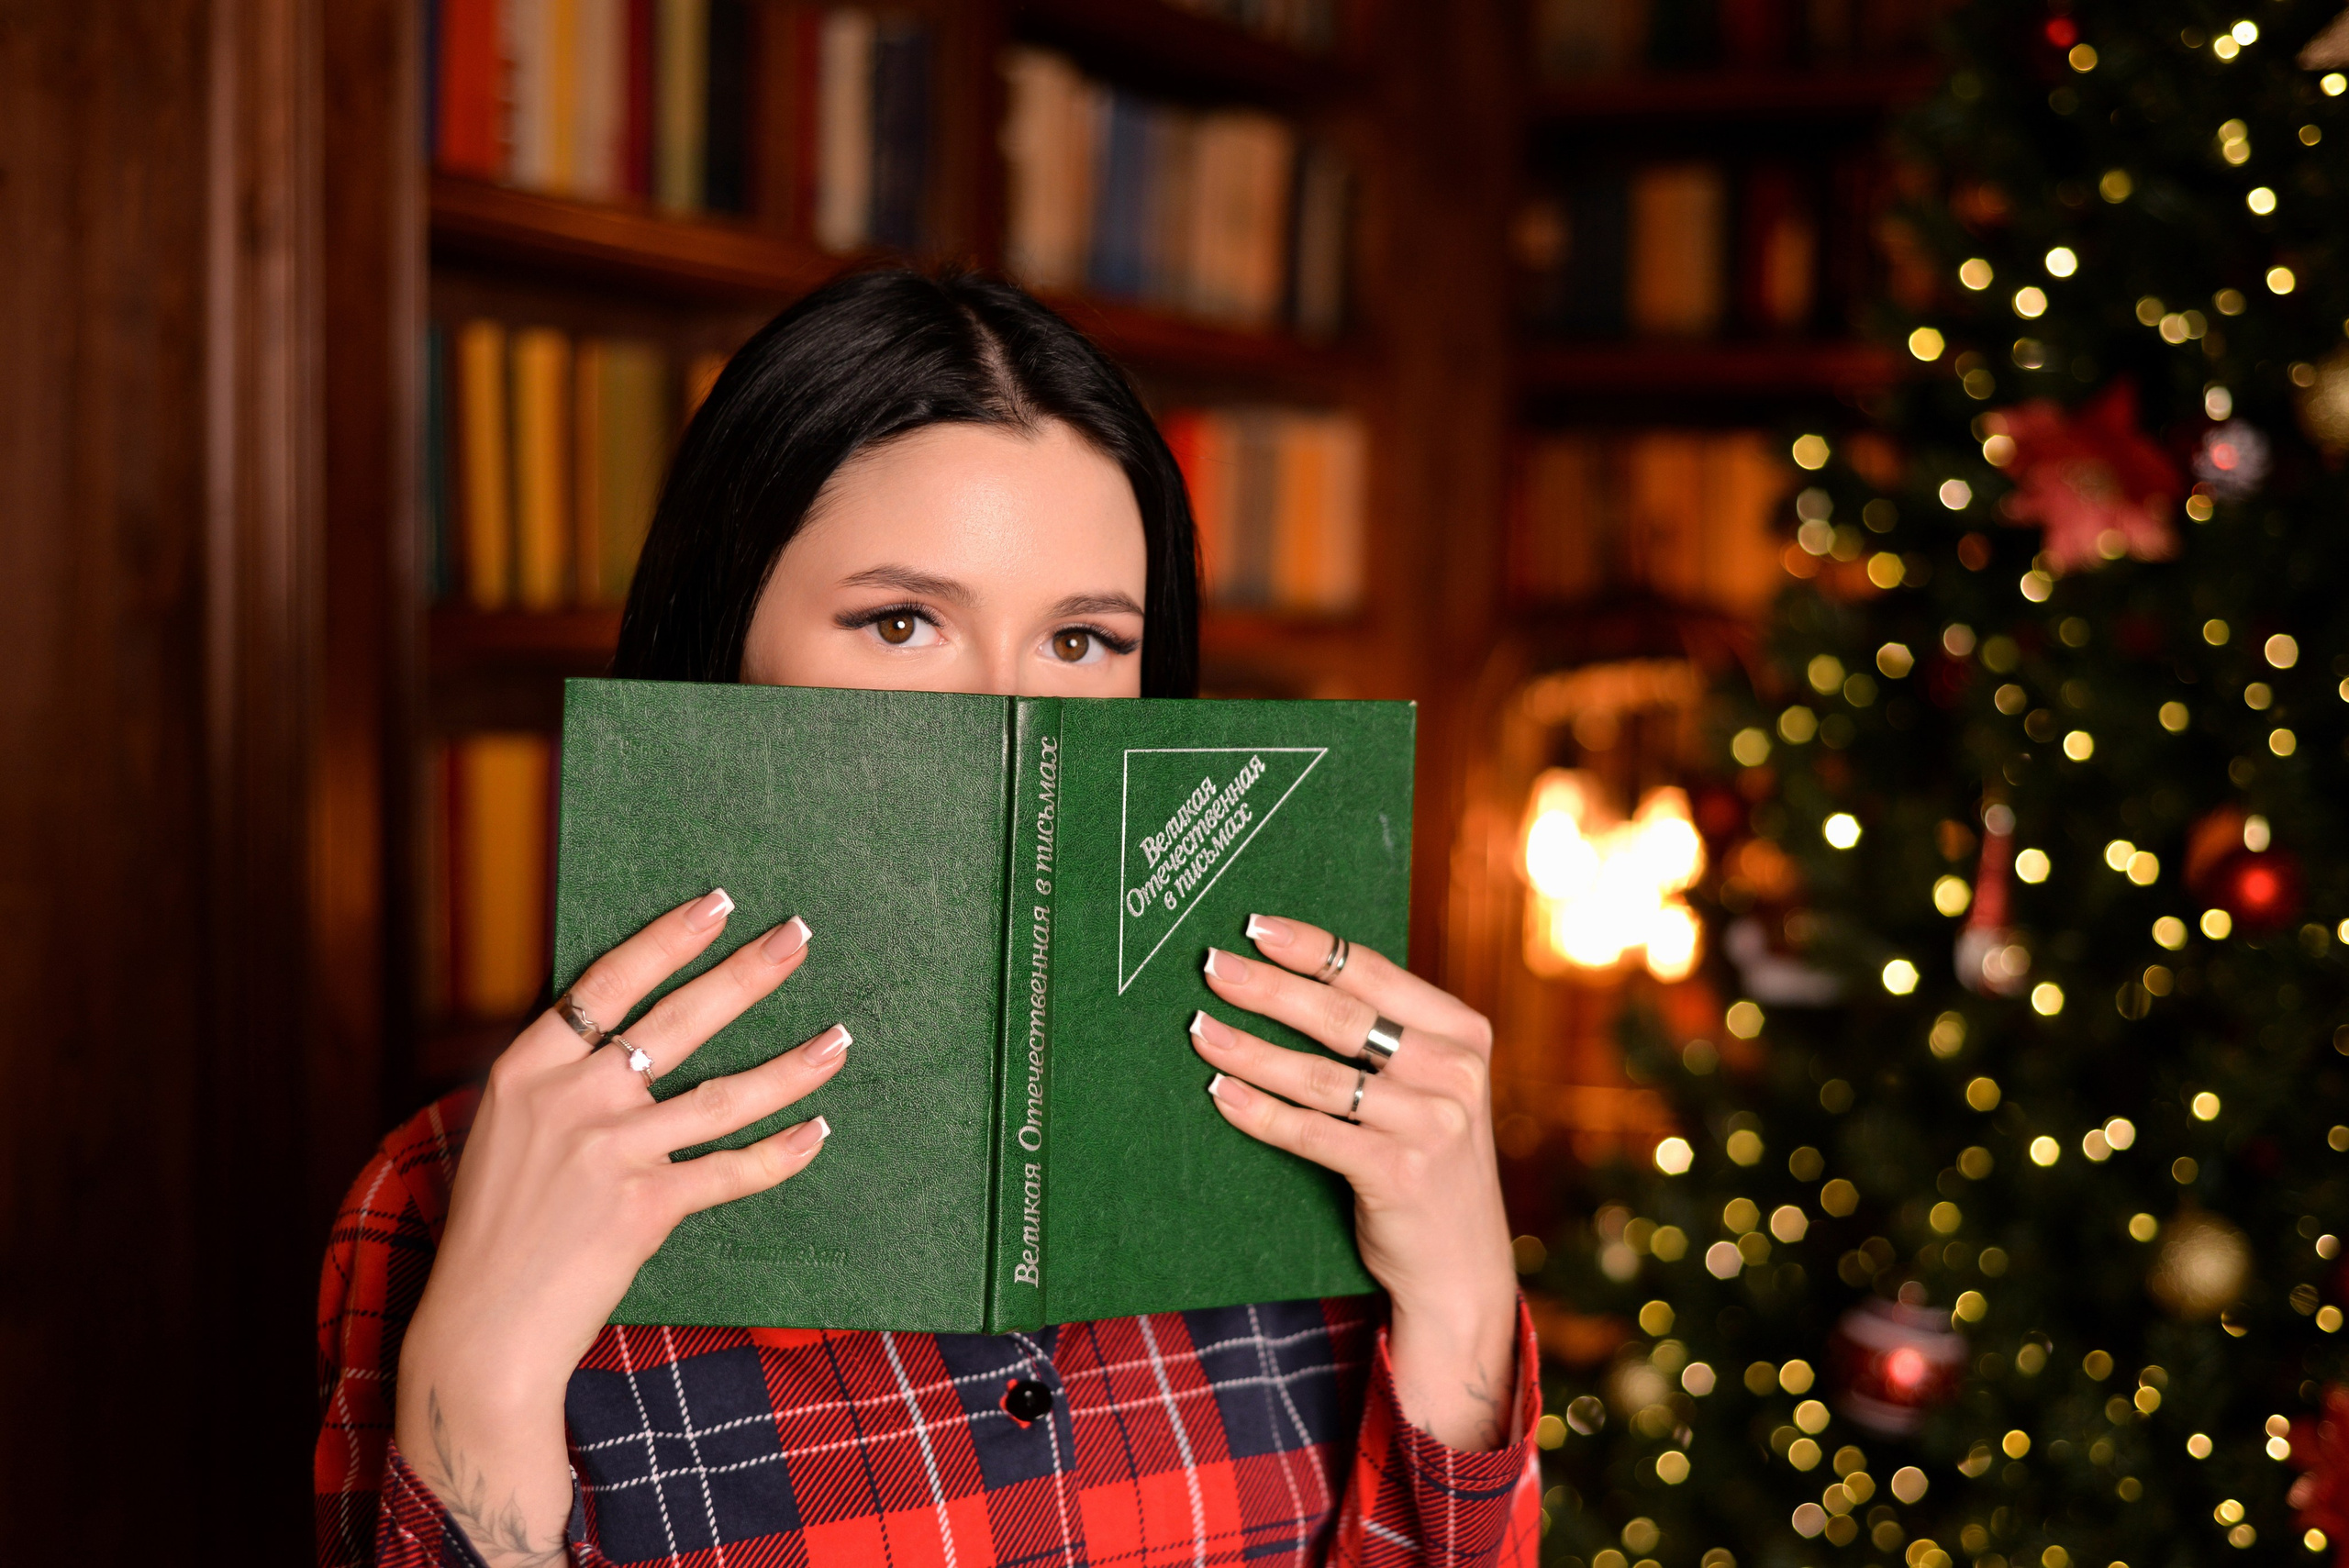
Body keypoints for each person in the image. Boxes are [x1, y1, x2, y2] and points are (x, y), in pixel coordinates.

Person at [317, 270, 1540, 1568]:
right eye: (902, 622)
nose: (1004, 730)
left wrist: (1462, 1305)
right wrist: (488, 1380)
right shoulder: (444, 1197)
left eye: (1081, 643)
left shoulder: (1321, 1151)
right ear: (721, 644)